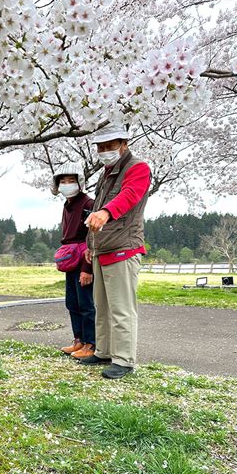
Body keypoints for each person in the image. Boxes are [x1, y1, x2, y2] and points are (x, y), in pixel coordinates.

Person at [83, 125, 151, 379]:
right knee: (101, 305)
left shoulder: (138, 168)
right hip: (102, 247)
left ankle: (124, 360)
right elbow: (97, 209)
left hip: (124, 246)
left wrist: (106, 213)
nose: (104, 151)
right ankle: (104, 351)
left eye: (109, 146)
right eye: (100, 147)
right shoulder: (106, 173)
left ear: (123, 144)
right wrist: (91, 246)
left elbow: (129, 195)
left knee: (122, 308)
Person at [52, 163, 96, 359]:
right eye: (63, 181)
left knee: (86, 303)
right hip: (70, 260)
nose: (67, 184)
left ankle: (90, 343)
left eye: (71, 180)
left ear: (80, 182)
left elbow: (92, 237)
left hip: (84, 259)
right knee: (72, 302)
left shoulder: (88, 203)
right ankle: (78, 340)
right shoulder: (67, 205)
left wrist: (88, 268)